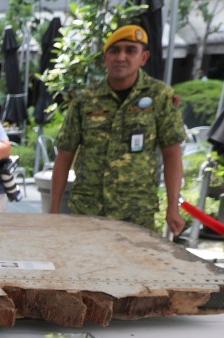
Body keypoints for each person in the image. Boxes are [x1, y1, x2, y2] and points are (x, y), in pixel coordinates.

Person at [49, 25, 186, 235]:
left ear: (144, 57)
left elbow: (172, 154)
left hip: (136, 213)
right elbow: (65, 155)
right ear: (105, 59)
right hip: (88, 211)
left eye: (130, 50)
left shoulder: (160, 96)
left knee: (134, 267)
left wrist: (173, 207)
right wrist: (54, 210)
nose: (121, 57)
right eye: (114, 51)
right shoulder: (85, 101)